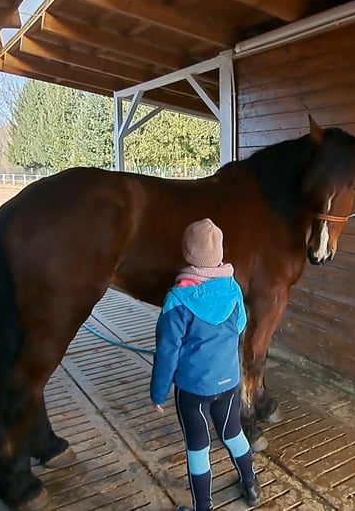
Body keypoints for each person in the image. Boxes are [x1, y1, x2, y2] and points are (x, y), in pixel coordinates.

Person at [150, 218, 261, 511]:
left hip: (193, 390)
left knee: (198, 448)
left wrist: (158, 392)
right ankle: (250, 484)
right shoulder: (234, 290)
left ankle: (203, 507)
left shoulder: (177, 299)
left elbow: (167, 352)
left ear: (187, 253)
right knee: (233, 433)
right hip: (229, 382)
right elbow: (240, 326)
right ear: (219, 253)